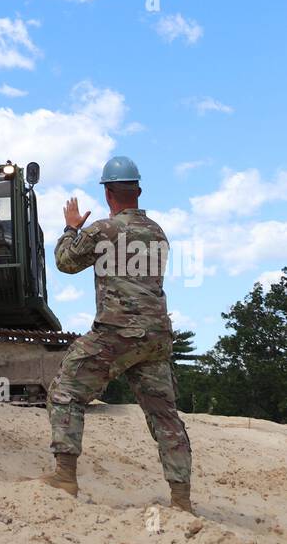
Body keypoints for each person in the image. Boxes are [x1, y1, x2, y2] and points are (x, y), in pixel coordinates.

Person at [39, 156, 193, 512]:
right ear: (137, 191)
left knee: (65, 392)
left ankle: (64, 477)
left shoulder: (105, 230)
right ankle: (181, 500)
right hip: (155, 336)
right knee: (164, 416)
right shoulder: (157, 232)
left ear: (109, 194)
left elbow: (65, 262)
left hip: (117, 331)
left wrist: (71, 228)